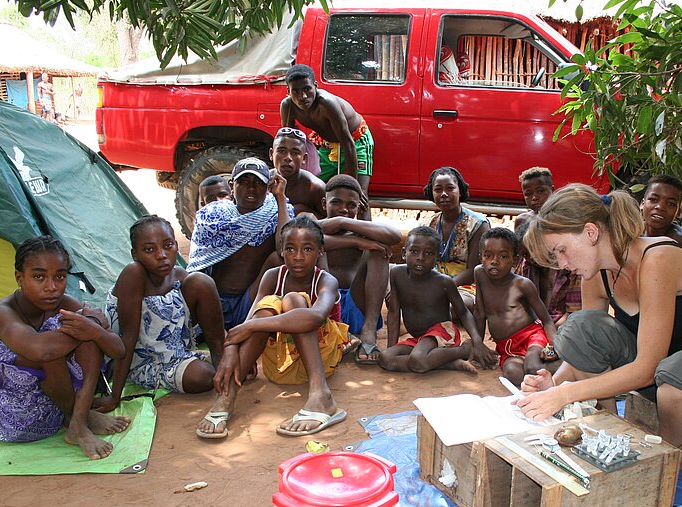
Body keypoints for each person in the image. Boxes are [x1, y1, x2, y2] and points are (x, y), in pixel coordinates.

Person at [515, 188, 682, 447]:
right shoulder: (595, 274)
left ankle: (664, 454)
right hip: (660, 379)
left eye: (562, 250)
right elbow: (585, 349)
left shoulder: (658, 259)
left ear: (591, 233)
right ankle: (606, 432)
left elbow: (648, 368)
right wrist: (554, 383)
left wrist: (565, 393)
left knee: (679, 367)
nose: (562, 263)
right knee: (580, 327)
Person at [0, 236, 129, 460]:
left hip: (52, 405)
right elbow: (41, 352)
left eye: (60, 277)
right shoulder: (1, 313)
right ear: (19, 278)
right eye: (39, 277)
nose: (51, 287)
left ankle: (78, 420)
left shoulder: (64, 304)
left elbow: (118, 350)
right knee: (60, 341)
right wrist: (92, 324)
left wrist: (92, 330)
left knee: (85, 334)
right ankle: (77, 419)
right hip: (13, 415)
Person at [202, 217, 349, 438]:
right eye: (290, 249)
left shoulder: (326, 281)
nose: (298, 257)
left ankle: (321, 395)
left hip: (322, 359)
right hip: (280, 365)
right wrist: (231, 348)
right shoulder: (273, 276)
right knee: (267, 306)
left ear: (320, 251)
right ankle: (227, 396)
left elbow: (317, 317)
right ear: (281, 250)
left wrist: (253, 326)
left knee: (293, 300)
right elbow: (250, 321)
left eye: (307, 249)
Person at [103, 216, 228, 415]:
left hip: (177, 352)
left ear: (176, 246)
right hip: (141, 361)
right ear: (135, 254)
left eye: (168, 245)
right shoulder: (133, 274)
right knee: (203, 378)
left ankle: (221, 360)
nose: (162, 255)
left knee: (201, 281)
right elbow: (128, 336)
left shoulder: (177, 275)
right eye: (149, 250)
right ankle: (211, 368)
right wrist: (114, 397)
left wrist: (230, 356)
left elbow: (210, 317)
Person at [187, 158, 293, 330]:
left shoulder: (275, 212)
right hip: (214, 299)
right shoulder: (213, 214)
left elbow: (284, 250)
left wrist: (280, 197)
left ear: (268, 188)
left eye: (258, 183)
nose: (251, 188)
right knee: (195, 280)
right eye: (243, 182)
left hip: (251, 298)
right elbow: (197, 265)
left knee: (277, 260)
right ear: (231, 186)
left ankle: (248, 326)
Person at [379, 226, 486, 374]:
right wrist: (392, 346)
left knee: (417, 360)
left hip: (442, 333)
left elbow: (463, 312)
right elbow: (394, 311)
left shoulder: (444, 282)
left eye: (428, 253)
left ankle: (463, 350)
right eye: (414, 251)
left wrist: (477, 340)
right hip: (420, 340)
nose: (420, 258)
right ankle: (446, 363)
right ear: (404, 253)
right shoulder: (397, 274)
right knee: (386, 358)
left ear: (437, 257)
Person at [319, 174, 400, 364]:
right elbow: (303, 235)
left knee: (380, 250)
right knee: (315, 246)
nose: (343, 209)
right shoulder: (313, 223)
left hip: (356, 305)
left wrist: (346, 222)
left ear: (359, 206)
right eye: (336, 202)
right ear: (324, 203)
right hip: (325, 306)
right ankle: (334, 333)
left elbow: (394, 236)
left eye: (351, 205)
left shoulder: (359, 229)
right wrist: (353, 238)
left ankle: (368, 331)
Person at [280, 64, 373, 219]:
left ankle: (366, 240)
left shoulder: (326, 103)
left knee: (359, 196)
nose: (302, 96)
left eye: (307, 89)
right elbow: (288, 142)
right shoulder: (288, 106)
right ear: (288, 91)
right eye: (295, 91)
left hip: (355, 142)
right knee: (317, 191)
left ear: (315, 86)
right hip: (326, 146)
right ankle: (324, 233)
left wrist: (353, 185)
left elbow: (348, 142)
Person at [473, 228, 557, 385]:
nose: (494, 261)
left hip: (531, 337)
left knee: (533, 367)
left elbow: (546, 320)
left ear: (515, 260)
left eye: (503, 256)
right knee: (513, 375)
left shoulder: (522, 285)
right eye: (488, 255)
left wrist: (553, 346)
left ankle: (567, 369)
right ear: (481, 258)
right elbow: (479, 313)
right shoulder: (479, 274)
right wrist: (478, 344)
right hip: (507, 346)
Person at [514, 169, 582, 326]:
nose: (535, 197)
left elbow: (575, 312)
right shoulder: (523, 221)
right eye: (528, 193)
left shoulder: (564, 224)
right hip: (536, 307)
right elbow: (517, 259)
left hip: (562, 312)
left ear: (552, 190)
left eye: (540, 191)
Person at [422, 166, 490, 313]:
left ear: (460, 191)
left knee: (454, 306)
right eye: (438, 189)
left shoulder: (477, 224)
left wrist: (444, 287)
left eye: (450, 188)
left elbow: (474, 270)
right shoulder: (429, 224)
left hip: (465, 285)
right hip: (434, 283)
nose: (444, 194)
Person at [270, 127, 327, 218]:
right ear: (271, 154)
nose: (288, 157)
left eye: (295, 153)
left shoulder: (315, 188)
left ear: (304, 158)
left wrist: (301, 211)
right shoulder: (263, 182)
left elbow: (330, 222)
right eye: (281, 151)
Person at [640, 175, 682, 248]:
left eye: (670, 204)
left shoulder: (674, 240)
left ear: (678, 212)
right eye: (653, 199)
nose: (660, 207)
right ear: (642, 204)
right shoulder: (635, 230)